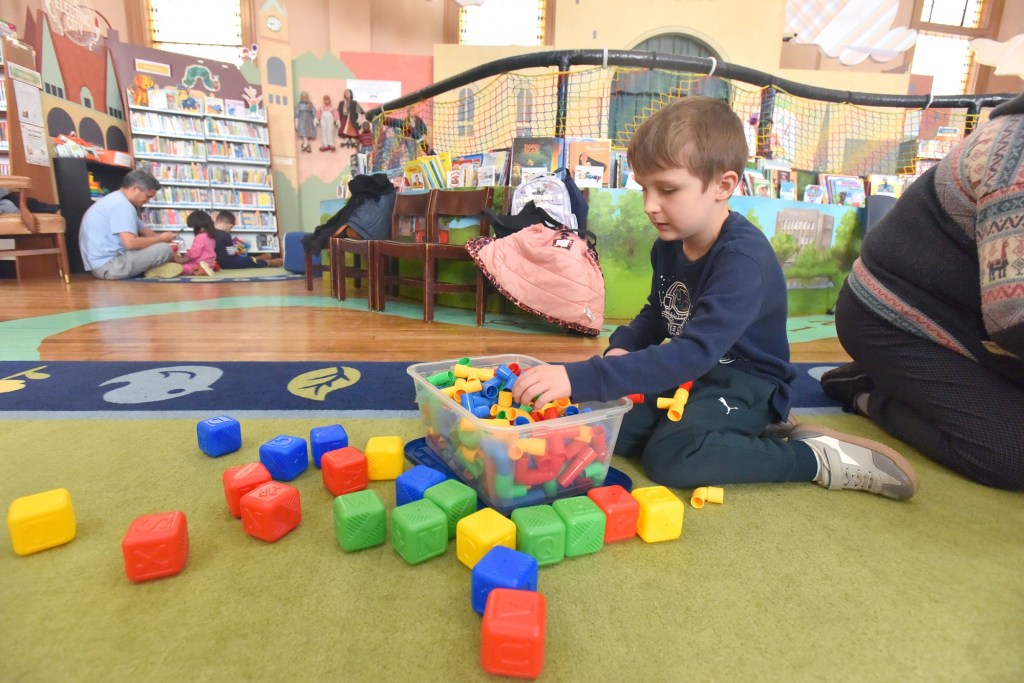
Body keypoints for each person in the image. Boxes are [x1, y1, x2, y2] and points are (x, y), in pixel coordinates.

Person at [510, 96, 919, 501]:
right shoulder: (669, 243)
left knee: (672, 456)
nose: (651, 206)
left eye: (667, 189)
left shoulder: (742, 261)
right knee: (610, 427)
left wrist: (583, 376)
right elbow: (659, 310)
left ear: (723, 186)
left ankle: (812, 457)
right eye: (644, 189)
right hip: (697, 376)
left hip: (749, 381)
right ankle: (733, 430)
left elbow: (692, 353)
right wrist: (622, 348)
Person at [821, 93, 1024, 492]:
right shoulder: (1015, 155)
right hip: (891, 316)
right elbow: (1012, 321)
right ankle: (867, 390)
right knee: (1012, 454)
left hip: (968, 320)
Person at [79, 169, 183, 279]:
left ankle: (155, 268)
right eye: (148, 196)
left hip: (100, 266)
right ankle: (156, 269)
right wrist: (162, 239)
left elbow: (148, 233)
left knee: (163, 247)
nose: (147, 201)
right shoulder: (123, 206)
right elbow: (130, 243)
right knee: (164, 249)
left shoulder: (116, 200)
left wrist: (166, 239)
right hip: (110, 266)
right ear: (135, 189)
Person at [213, 210, 282, 268]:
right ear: (230, 226)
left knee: (244, 259)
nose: (230, 230)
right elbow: (231, 253)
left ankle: (258, 258)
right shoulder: (225, 235)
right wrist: (236, 249)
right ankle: (269, 263)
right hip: (226, 263)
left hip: (216, 262)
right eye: (231, 228)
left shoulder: (209, 233)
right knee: (249, 260)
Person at [181, 211, 217, 276]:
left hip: (199, 264)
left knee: (181, 268)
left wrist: (186, 256)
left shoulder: (200, 237)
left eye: (193, 227)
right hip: (210, 264)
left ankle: (199, 271)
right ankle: (204, 270)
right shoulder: (211, 237)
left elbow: (194, 253)